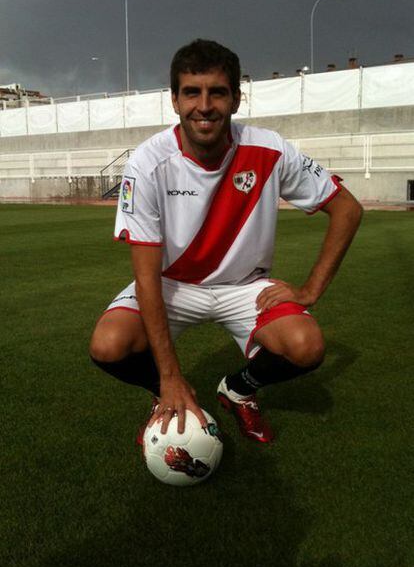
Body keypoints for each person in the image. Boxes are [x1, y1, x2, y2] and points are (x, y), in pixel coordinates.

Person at [89, 39, 363, 444]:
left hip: (245, 287)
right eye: (191, 93)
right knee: (108, 344)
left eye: (217, 92)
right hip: (172, 285)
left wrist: (310, 290)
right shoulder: (147, 163)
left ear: (236, 99)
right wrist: (170, 377)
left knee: (306, 346)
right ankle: (165, 396)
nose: (204, 105)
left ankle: (237, 389)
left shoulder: (270, 149)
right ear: (175, 100)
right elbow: (146, 278)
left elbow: (348, 209)